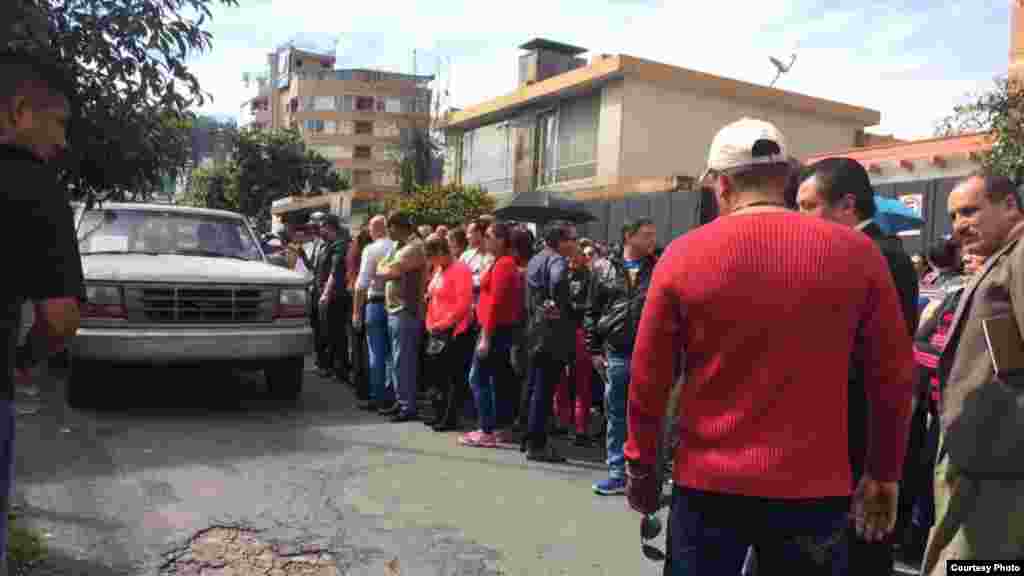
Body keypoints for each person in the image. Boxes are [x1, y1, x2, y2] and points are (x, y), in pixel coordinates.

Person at [625, 118, 915, 575]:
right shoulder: (859, 254)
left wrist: (641, 471)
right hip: (815, 489)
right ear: (786, 180)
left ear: (720, 184)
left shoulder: (682, 255)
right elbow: (893, 378)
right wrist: (883, 472)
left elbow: (648, 382)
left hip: (708, 488)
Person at [796, 157, 922, 573]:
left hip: (863, 429)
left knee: (863, 544)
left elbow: (886, 364)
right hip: (837, 430)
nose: (800, 218)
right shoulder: (858, 253)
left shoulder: (882, 257)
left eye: (807, 205)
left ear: (847, 205)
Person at [1, 49, 85, 574]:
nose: (61, 140)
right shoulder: (32, 186)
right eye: (57, 122)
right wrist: (25, 359)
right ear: (17, 112)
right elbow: (60, 318)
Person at [920, 171, 1024, 575]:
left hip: (1001, 462)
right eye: (952, 216)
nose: (959, 225)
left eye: (970, 211)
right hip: (983, 456)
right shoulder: (1004, 257)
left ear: (1010, 206)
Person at [585, 218, 657, 496]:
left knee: (648, 414)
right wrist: (593, 350)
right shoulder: (602, 268)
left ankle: (644, 474)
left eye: (653, 236)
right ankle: (617, 472)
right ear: (629, 236)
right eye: (646, 235)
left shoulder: (659, 267)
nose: (652, 240)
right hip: (616, 353)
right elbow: (591, 312)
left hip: (650, 353)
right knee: (616, 414)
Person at [460, 222, 523, 448]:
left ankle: (487, 429)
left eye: (488, 236)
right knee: (496, 380)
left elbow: (495, 303)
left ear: (501, 240)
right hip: (495, 329)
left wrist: (486, 336)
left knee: (477, 378)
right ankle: (496, 428)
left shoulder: (505, 264)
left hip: (494, 330)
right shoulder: (499, 262)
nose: (484, 239)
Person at [523, 220, 578, 463]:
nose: (575, 244)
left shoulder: (536, 259)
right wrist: (562, 303)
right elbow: (558, 282)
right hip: (551, 332)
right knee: (544, 391)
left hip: (534, 328)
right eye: (571, 239)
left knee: (534, 386)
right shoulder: (557, 260)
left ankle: (528, 437)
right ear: (560, 241)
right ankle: (537, 444)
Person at [376, 212, 427, 422]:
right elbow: (380, 267)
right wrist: (385, 268)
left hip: (406, 310)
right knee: (396, 359)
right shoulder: (398, 246)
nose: (388, 232)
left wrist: (385, 268)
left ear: (399, 227)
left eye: (390, 227)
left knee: (403, 360)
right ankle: (401, 400)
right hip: (395, 310)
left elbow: (388, 271)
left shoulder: (413, 247)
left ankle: (408, 405)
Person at [422, 236, 474, 432]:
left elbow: (463, 304)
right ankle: (438, 412)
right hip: (436, 329)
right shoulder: (439, 269)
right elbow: (433, 298)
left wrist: (443, 324)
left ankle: (449, 417)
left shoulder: (460, 270)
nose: (430, 261)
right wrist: (430, 323)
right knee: (437, 375)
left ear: (442, 252)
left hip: (453, 330)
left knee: (452, 377)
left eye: (432, 256)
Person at [352, 216, 394, 412]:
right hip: (395, 305)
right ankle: (394, 396)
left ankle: (379, 398)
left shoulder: (371, 249)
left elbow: (361, 285)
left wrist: (356, 313)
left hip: (375, 303)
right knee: (393, 354)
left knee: (376, 354)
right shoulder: (396, 246)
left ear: (374, 229)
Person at [316, 215, 350, 384]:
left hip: (336, 296)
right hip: (329, 294)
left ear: (329, 227)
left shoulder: (340, 245)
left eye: (321, 226)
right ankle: (332, 367)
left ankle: (340, 370)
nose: (319, 229)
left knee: (336, 333)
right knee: (329, 332)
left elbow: (335, 272)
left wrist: (326, 293)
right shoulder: (329, 245)